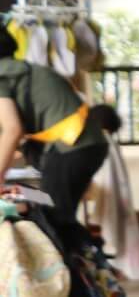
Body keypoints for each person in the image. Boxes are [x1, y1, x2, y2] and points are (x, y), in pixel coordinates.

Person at [0, 58, 119, 221]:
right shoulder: (23, 71)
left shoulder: (5, 75)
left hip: (70, 146)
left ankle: (83, 246)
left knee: (53, 217)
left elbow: (13, 130)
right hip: (72, 148)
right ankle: (81, 245)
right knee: (56, 215)